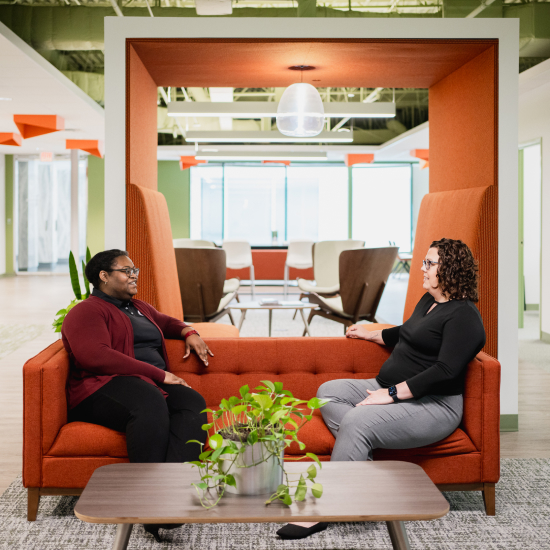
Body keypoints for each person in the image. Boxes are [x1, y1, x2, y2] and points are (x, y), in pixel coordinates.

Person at [277, 238, 486, 540]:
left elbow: (445, 371)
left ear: (450, 269)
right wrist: (372, 334)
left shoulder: (464, 317)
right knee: (327, 392)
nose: (422, 268)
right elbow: (409, 332)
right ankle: (361, 467)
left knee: (356, 421)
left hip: (433, 406)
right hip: (386, 387)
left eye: (429, 263)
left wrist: (388, 396)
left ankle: (324, 508)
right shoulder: (429, 300)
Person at [63, 249, 211, 542]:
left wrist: (188, 331)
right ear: (103, 277)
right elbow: (95, 356)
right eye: (126, 271)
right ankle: (148, 504)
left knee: (192, 403)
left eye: (135, 270)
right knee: (149, 403)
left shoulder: (138, 306)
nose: (134, 276)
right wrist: (159, 374)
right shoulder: (86, 311)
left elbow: (166, 322)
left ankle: (172, 496)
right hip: (103, 384)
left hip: (147, 382)